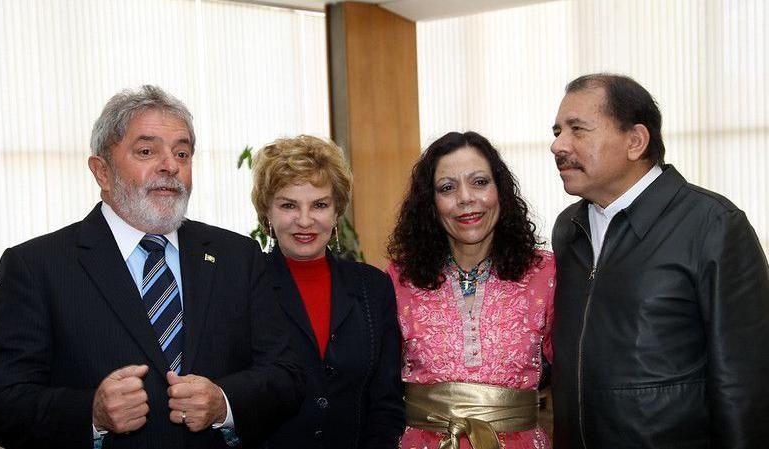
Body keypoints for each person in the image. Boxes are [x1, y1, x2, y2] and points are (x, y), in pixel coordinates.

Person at [0, 85, 303, 449]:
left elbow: (287, 376)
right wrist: (90, 413)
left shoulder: (237, 256)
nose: (170, 165)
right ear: (102, 171)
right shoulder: (36, 267)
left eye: (182, 152)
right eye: (147, 151)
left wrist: (224, 402)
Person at [550, 73, 769, 448]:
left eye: (577, 129)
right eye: (556, 131)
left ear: (635, 141)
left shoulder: (713, 225)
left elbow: (744, 384)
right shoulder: (568, 229)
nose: (558, 145)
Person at [387, 131, 555, 449]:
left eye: (479, 182)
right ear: (431, 203)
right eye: (447, 188)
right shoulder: (398, 279)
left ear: (500, 191)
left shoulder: (545, 273)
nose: (466, 198)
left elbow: (578, 372)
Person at [251, 135, 405, 449]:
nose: (305, 220)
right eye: (288, 205)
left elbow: (387, 403)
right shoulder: (245, 283)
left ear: (337, 212)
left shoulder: (373, 287)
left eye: (319, 205)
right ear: (267, 211)